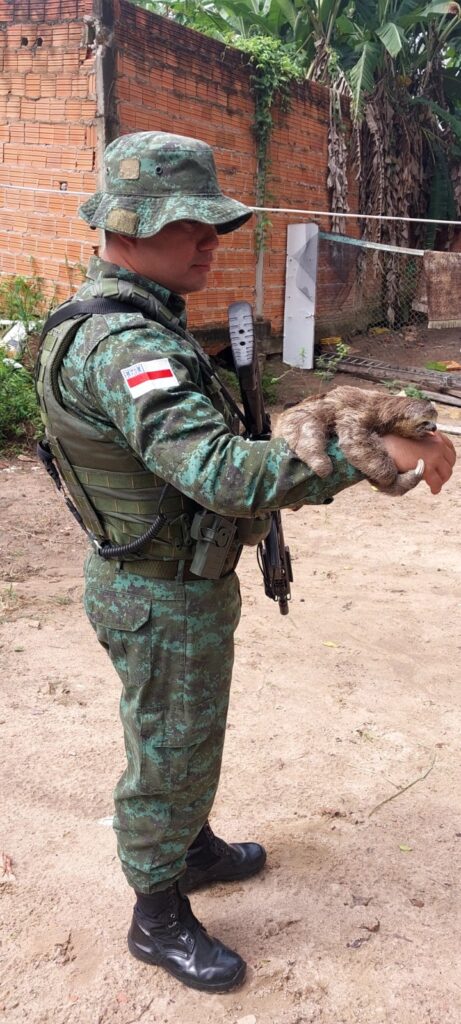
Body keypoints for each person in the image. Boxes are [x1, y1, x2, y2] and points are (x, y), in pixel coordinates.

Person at [35, 131, 455, 994]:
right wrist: (366, 452)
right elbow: (225, 475)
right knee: (167, 748)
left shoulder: (137, 321)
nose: (209, 241)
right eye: (188, 223)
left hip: (171, 582)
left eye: (212, 223)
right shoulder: (124, 347)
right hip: (158, 591)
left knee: (185, 737)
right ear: (125, 228)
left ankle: (189, 849)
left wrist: (327, 415)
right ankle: (156, 917)